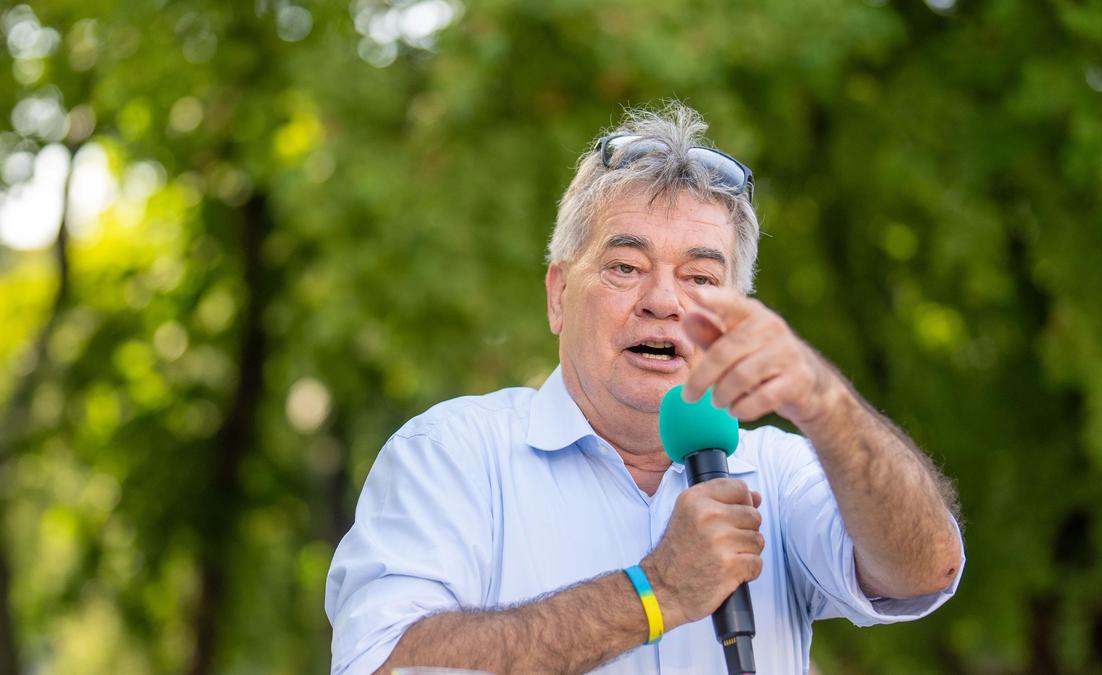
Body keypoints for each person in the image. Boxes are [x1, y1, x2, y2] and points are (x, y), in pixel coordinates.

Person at [325, 103, 965, 675]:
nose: (663, 301)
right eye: (625, 267)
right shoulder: (450, 454)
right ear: (558, 295)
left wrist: (829, 406)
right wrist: (654, 592)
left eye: (701, 278)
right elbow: (383, 663)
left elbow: (923, 570)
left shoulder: (782, 471)